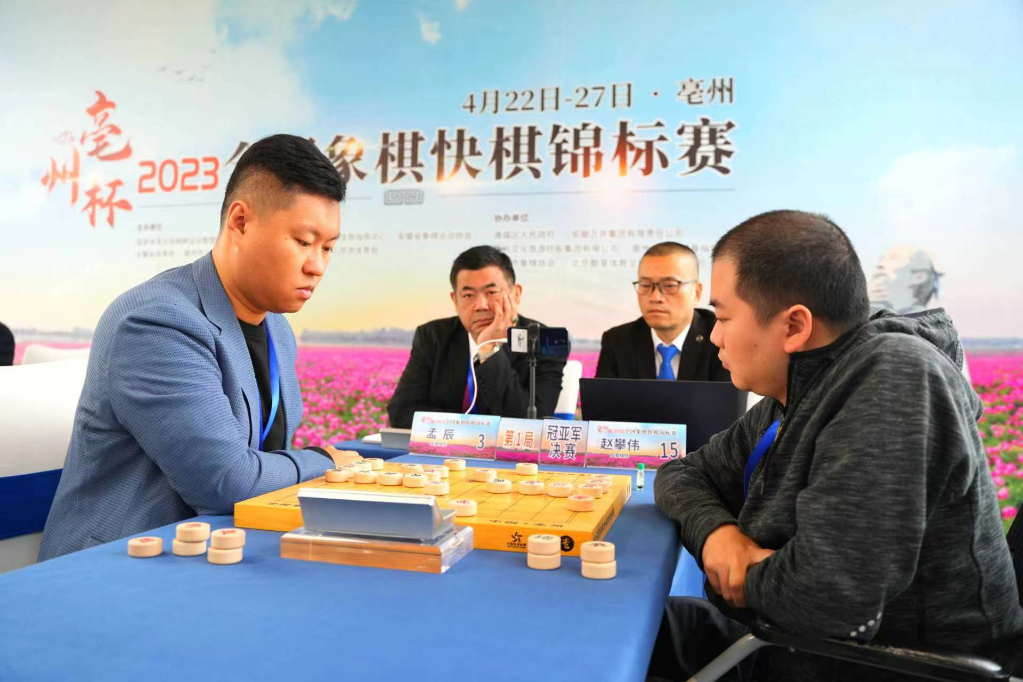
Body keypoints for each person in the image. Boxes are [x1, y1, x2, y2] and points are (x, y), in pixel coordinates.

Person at [652, 210, 1023, 680]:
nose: (715, 335)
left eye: (723, 316)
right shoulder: (797, 391)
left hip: (881, 666)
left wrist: (743, 577)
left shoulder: (894, 377)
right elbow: (682, 473)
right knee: (627, 629)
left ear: (794, 326)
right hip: (784, 642)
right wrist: (720, 538)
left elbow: (823, 600)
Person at [39, 134, 361, 560]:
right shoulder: (156, 322)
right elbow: (227, 482)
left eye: (328, 248)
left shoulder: (278, 330)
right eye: (303, 241)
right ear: (240, 221)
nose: (316, 265)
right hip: (121, 567)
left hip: (223, 555)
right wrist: (326, 460)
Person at [387, 246, 567, 428]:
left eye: (491, 292)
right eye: (468, 295)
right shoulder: (432, 337)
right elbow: (401, 412)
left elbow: (531, 426)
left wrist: (489, 350)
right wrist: (471, 430)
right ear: (455, 300)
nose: (481, 305)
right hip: (446, 446)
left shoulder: (542, 342)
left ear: (516, 294)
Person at [596, 242, 728, 382]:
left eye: (670, 286)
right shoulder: (617, 341)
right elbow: (604, 396)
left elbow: (727, 396)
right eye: (645, 285)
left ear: (696, 292)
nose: (655, 297)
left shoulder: (720, 339)